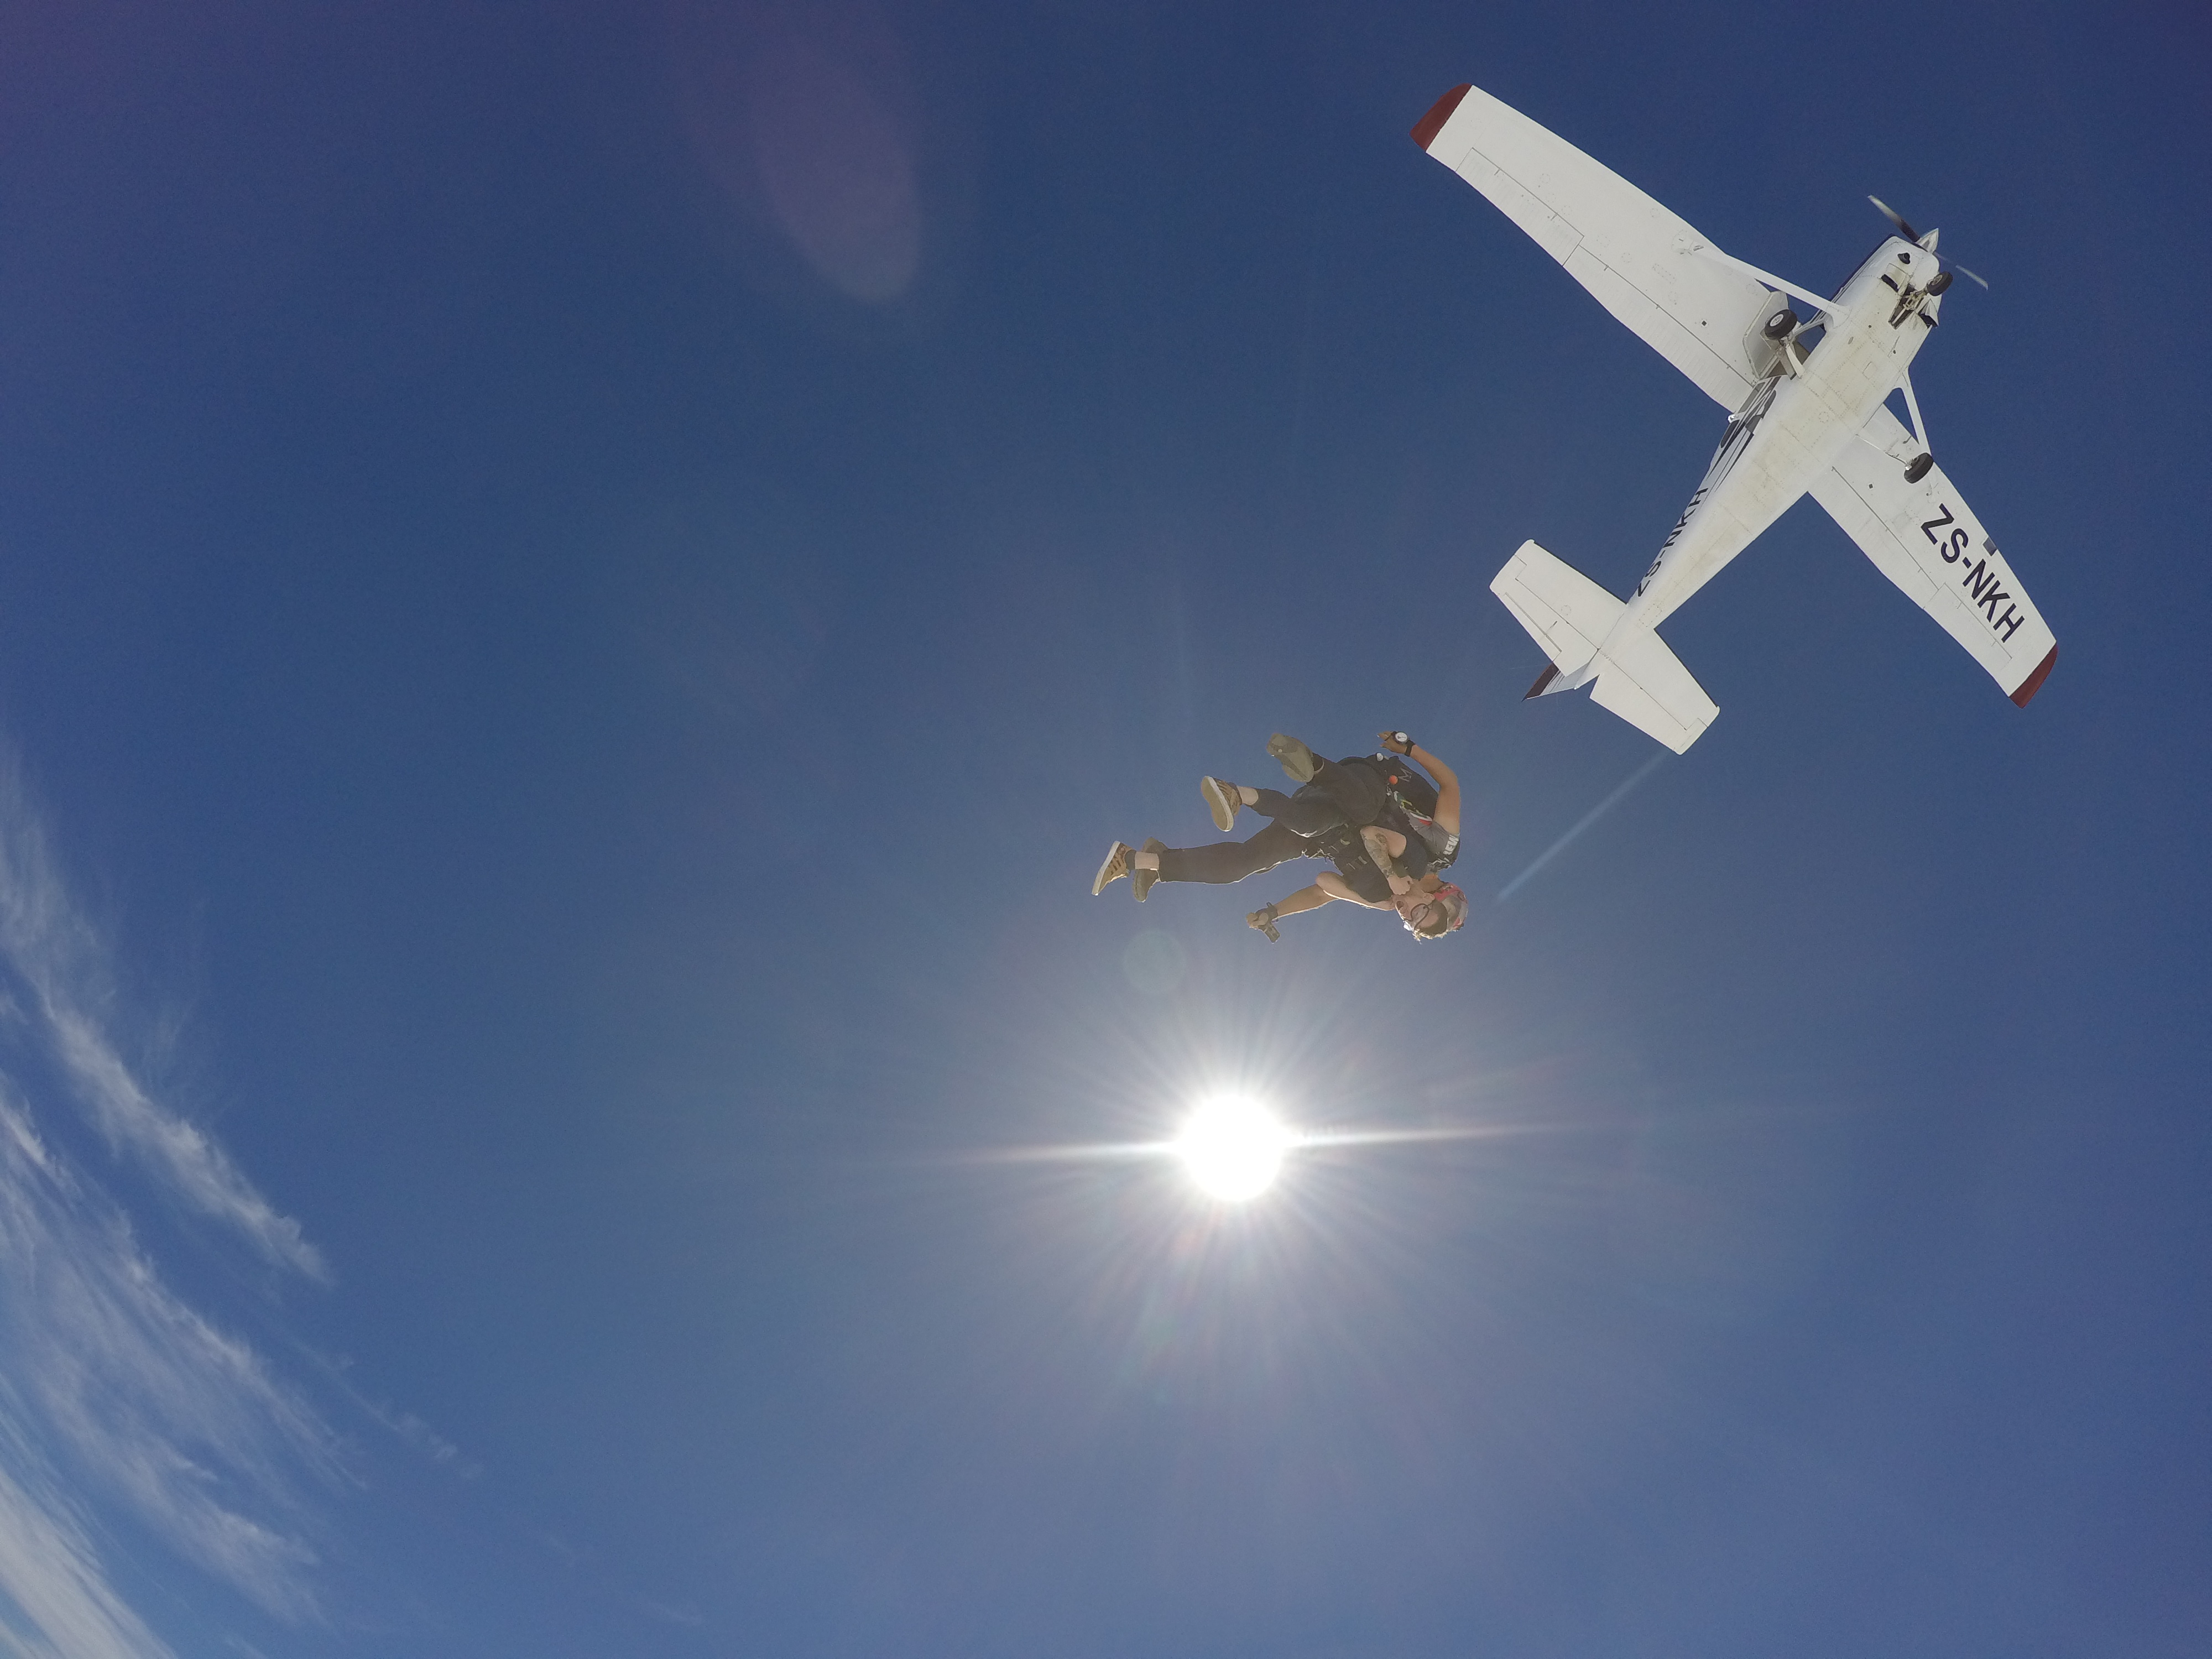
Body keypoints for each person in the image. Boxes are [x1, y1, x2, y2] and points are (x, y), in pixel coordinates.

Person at [1093, 731, 1468, 942]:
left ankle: (1146, 862)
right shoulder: (1436, 852)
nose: (1408, 914)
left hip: (1319, 824)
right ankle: (1313, 765)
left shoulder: (1385, 897)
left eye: (1411, 923)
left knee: (1243, 865)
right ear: (1439, 894)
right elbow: (1450, 785)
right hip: (1362, 789)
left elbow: (1323, 891)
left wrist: (1275, 912)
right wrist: (1410, 749)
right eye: (1422, 911)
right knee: (1363, 811)